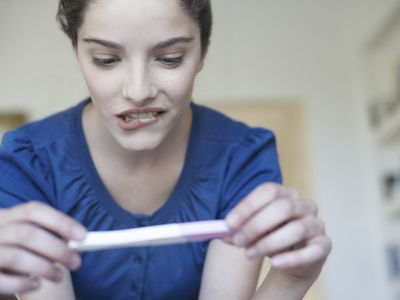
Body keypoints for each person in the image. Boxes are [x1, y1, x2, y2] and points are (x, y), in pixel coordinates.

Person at [0, 0, 331, 299]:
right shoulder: (28, 161)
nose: (138, 91)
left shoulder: (241, 157)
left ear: (202, 53)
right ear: (77, 52)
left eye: (170, 59)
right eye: (106, 60)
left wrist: (290, 282)